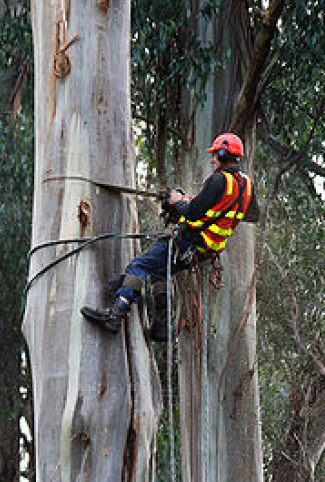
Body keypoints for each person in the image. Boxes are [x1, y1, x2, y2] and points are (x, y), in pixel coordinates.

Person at [81, 133, 260, 340]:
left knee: (138, 266)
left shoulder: (218, 180)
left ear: (222, 153)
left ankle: (116, 315)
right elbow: (249, 214)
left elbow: (193, 212)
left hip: (188, 243)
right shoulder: (246, 184)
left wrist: (177, 200)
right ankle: (161, 327)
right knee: (160, 273)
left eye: (214, 155)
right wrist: (196, 202)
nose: (212, 160)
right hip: (206, 251)